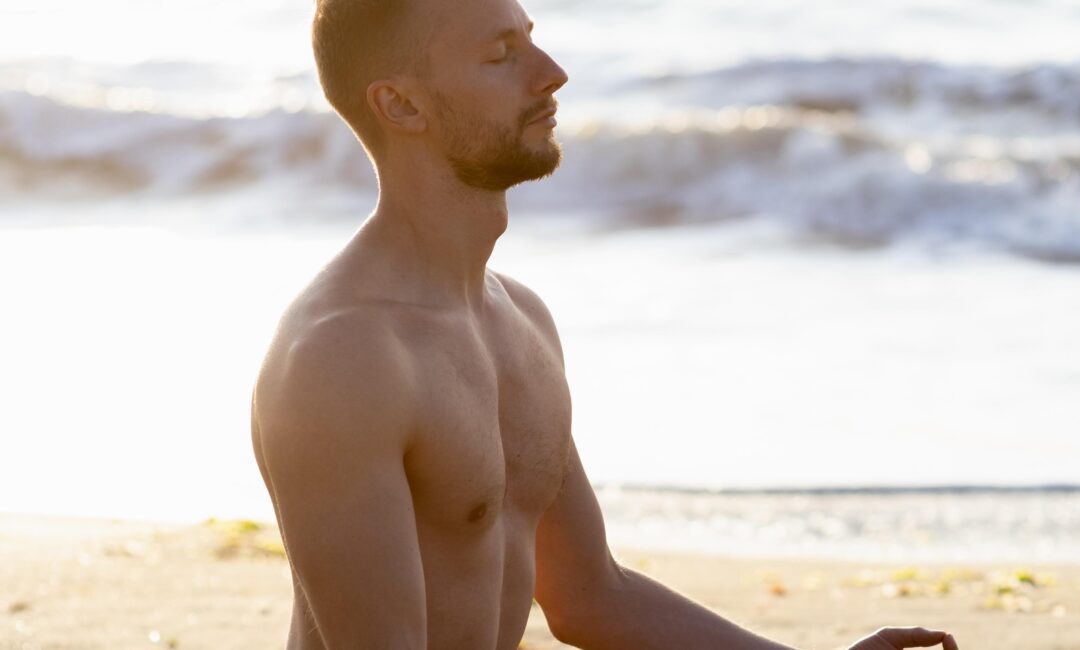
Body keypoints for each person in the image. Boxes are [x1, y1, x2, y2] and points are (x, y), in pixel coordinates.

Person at [249, 0, 963, 648]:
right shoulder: (343, 357)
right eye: (501, 56)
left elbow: (590, 595)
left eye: (532, 41)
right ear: (401, 104)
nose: (552, 74)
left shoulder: (518, 318)